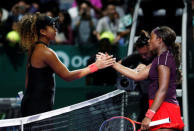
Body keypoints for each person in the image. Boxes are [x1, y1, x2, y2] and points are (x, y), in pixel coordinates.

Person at [17, 12, 115, 117]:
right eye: (52, 26)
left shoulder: (34, 49)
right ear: (43, 31)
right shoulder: (46, 52)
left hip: (32, 106)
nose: (56, 30)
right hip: (37, 109)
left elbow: (28, 82)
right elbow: (68, 76)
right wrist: (96, 66)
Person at [98, 26, 184, 131]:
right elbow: (137, 75)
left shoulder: (164, 59)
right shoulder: (161, 58)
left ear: (159, 40)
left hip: (164, 110)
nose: (149, 40)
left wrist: (148, 116)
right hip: (158, 108)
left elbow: (163, 90)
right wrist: (111, 63)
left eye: (151, 38)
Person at [118, 30, 154, 123]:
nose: (143, 57)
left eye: (145, 53)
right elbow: (119, 65)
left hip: (160, 97)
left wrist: (146, 69)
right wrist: (130, 73)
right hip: (145, 98)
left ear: (151, 48)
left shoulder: (160, 56)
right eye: (141, 54)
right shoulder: (136, 56)